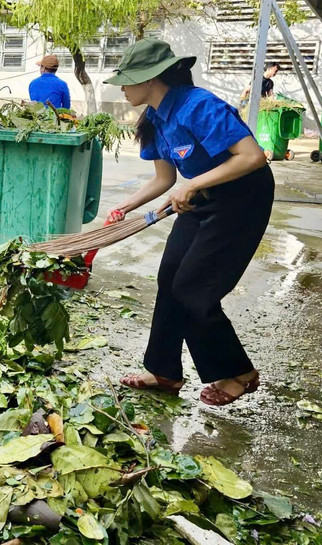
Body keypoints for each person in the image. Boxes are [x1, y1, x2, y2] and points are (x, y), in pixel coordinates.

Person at [104, 37, 272, 407]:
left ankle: (239, 372)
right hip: (201, 197)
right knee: (170, 280)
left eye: (127, 79)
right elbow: (164, 180)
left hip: (242, 197)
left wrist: (193, 183)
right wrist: (126, 207)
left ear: (150, 79)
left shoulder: (199, 106)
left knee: (194, 289)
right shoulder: (154, 120)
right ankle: (163, 370)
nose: (122, 88)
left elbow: (252, 157)